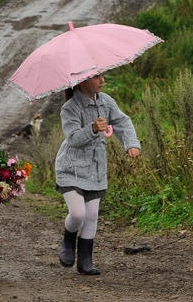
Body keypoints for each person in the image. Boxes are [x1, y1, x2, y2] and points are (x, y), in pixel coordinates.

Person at [56, 73, 141, 275]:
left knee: (92, 215)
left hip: (95, 168)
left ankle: (85, 260)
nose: (102, 80)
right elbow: (74, 138)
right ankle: (68, 241)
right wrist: (93, 128)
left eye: (103, 75)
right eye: (96, 77)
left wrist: (131, 143)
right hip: (71, 167)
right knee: (78, 214)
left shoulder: (106, 102)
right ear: (82, 81)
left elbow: (122, 122)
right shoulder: (70, 108)